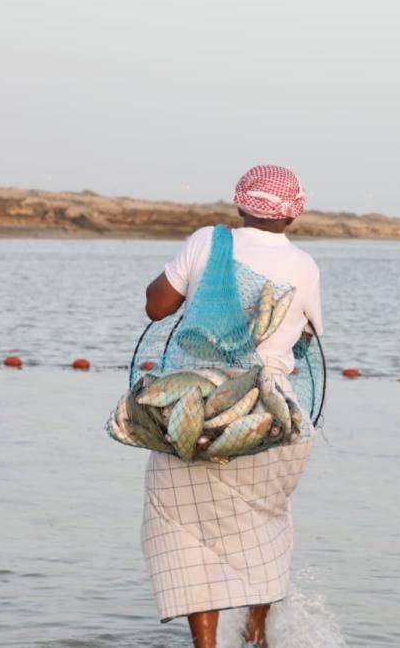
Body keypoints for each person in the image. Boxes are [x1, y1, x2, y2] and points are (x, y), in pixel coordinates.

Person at [142, 165, 323, 648]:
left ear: (240, 204)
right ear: (293, 215)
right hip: (270, 412)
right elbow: (307, 335)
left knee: (185, 530)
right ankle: (256, 635)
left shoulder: (208, 240)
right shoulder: (304, 265)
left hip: (194, 403)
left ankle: (206, 646)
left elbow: (156, 307)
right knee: (264, 522)